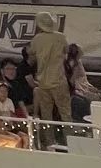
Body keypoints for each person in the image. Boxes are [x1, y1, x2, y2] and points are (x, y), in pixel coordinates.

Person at [27, 12, 71, 143]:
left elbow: (31, 53)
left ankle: (50, 143)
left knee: (46, 116)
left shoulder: (37, 39)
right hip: (59, 81)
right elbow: (67, 51)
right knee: (66, 114)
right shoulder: (61, 37)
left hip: (42, 83)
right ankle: (70, 142)